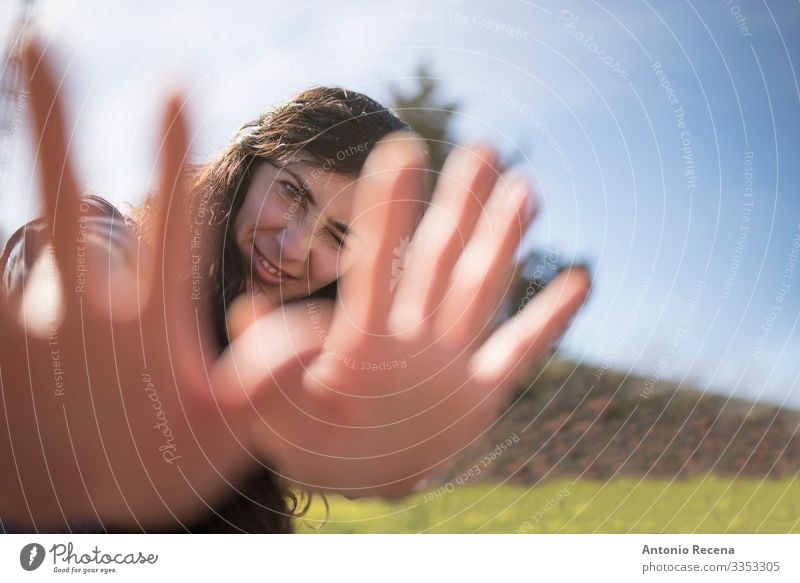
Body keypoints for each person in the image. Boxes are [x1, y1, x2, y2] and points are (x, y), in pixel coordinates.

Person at [0, 36, 590, 533]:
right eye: (292, 193)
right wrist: (72, 339)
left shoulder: (308, 371)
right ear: (249, 162)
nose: (292, 246)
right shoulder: (115, 233)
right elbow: (76, 262)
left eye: (339, 235)